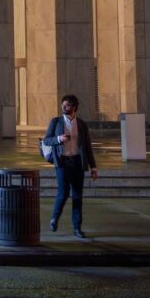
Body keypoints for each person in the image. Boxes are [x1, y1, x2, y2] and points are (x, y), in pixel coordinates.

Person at [44, 94, 98, 239]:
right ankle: (54, 219)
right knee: (63, 192)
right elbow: (46, 141)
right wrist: (58, 139)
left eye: (66, 105)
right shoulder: (55, 122)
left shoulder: (81, 124)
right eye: (62, 105)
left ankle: (77, 228)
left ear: (74, 107)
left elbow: (87, 147)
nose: (63, 107)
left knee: (77, 196)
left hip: (77, 163)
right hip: (62, 163)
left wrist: (93, 167)